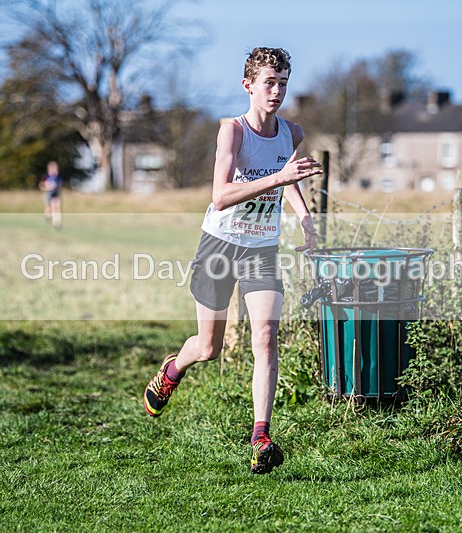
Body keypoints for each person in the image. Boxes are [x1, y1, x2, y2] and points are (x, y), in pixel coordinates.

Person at [143, 47, 323, 474]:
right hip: (220, 245)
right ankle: (173, 368)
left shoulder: (291, 133)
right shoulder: (233, 132)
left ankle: (261, 436)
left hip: (262, 248)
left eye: (283, 82)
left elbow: (287, 176)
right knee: (208, 347)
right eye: (269, 82)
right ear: (248, 86)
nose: (276, 91)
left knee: (265, 336)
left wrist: (305, 218)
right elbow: (220, 197)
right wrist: (278, 179)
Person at [39, 160, 63, 228]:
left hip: (56, 194)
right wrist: (47, 188)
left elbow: (60, 185)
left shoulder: (58, 177)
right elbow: (41, 185)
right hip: (48, 194)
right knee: (49, 208)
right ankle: (47, 215)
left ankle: (57, 222)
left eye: (56, 168)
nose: (54, 170)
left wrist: (57, 187)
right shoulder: (46, 176)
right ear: (49, 169)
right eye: (53, 168)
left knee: (57, 207)